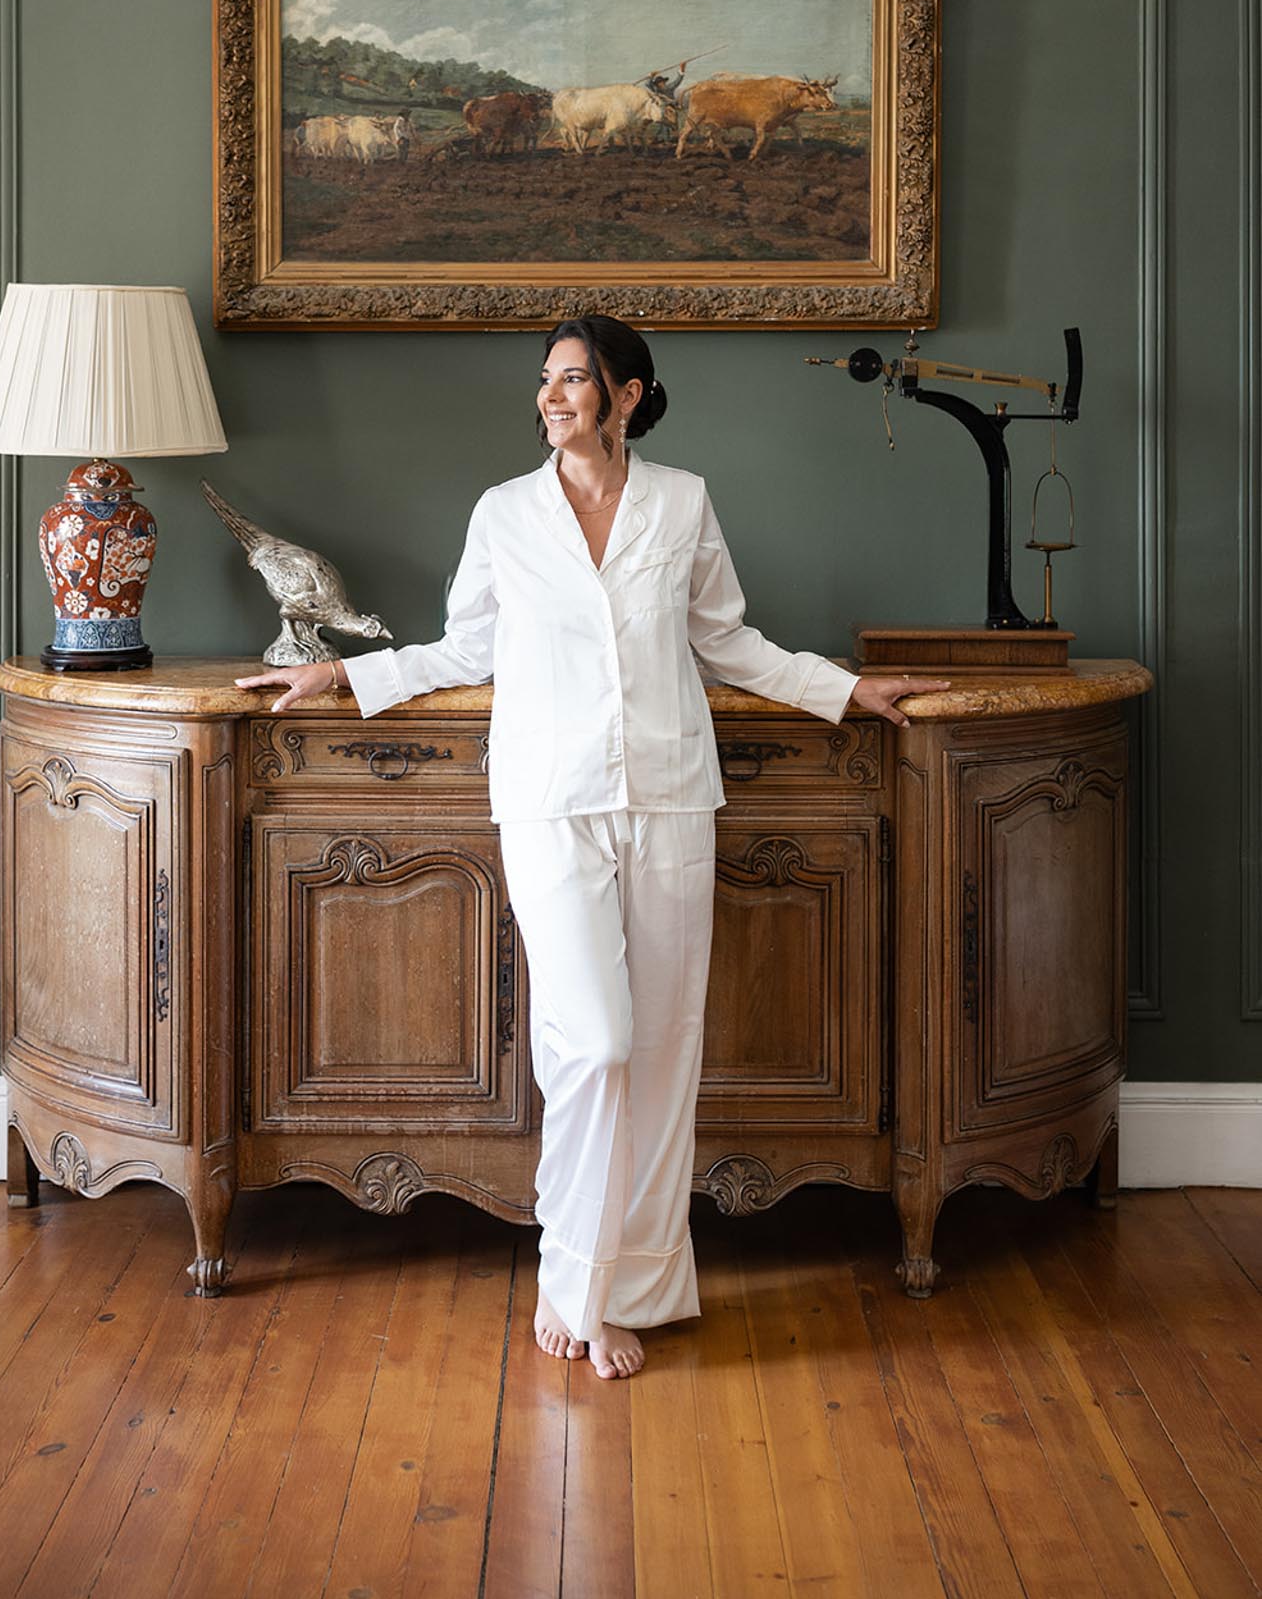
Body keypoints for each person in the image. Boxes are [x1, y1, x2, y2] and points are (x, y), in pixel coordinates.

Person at [235, 315, 941, 1380]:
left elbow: (726, 639)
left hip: (667, 797)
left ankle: (637, 1285)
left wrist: (845, 689)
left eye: (575, 379)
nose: (552, 395)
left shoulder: (683, 500)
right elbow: (467, 642)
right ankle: (571, 1284)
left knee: (662, 1050)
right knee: (596, 1043)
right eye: (547, 379)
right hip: (548, 800)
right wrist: (341, 675)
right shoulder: (505, 512)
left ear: (627, 394)